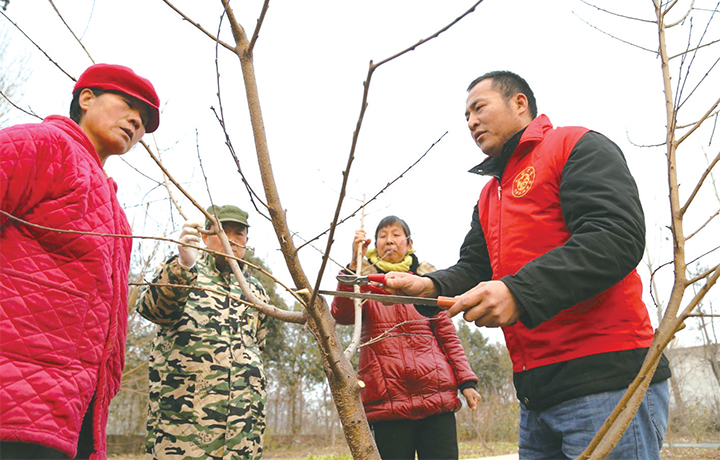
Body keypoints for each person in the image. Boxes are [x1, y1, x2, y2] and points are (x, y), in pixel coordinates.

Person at [384, 71, 671, 460]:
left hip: (607, 383)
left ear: (520, 103)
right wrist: (430, 285)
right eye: (465, 116)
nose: (471, 122)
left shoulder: (575, 145)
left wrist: (517, 292)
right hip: (536, 397)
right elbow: (475, 266)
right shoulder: (490, 195)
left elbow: (616, 237)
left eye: (479, 108)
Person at [0, 64, 159, 459]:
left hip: (71, 414)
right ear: (85, 98)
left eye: (144, 123)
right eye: (128, 105)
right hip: (11, 402)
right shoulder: (40, 145)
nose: (136, 122)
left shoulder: (114, 208)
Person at [331, 216, 481, 460]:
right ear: (374, 245)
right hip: (386, 402)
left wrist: (467, 382)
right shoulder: (364, 283)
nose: (389, 240)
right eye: (383, 236)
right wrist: (353, 263)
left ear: (409, 244)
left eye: (396, 234)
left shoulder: (428, 285)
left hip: (437, 398)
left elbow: (448, 337)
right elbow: (342, 314)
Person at [136, 204, 270, 460]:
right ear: (205, 237)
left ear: (247, 240)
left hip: (243, 436)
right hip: (185, 433)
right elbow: (153, 309)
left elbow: (258, 350)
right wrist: (184, 266)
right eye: (221, 231)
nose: (230, 240)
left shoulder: (256, 292)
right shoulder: (184, 272)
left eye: (238, 233)